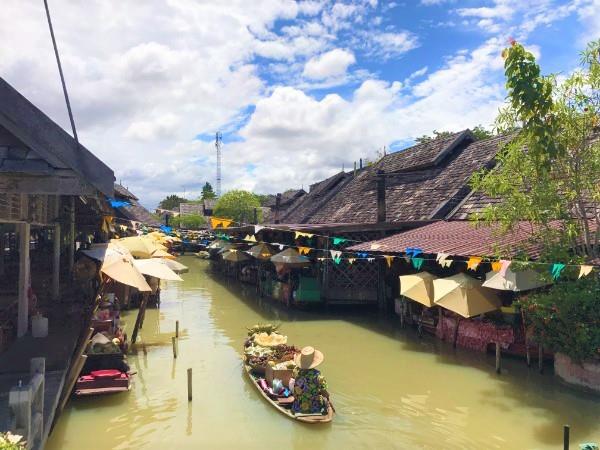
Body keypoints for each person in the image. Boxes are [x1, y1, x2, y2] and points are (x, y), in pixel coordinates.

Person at [291, 346, 330, 415]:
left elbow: (293, 385)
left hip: (297, 407)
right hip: (315, 408)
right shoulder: (319, 376)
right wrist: (327, 396)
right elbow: (324, 393)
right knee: (322, 398)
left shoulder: (296, 371)